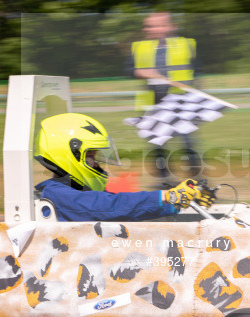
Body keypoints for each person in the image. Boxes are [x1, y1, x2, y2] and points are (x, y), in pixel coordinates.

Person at [34, 112, 214, 222]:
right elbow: (109, 207)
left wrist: (176, 203)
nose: (97, 163)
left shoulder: (80, 190)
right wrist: (168, 195)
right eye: (90, 156)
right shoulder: (56, 194)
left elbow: (128, 208)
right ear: (67, 156)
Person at [129, 12, 200, 183]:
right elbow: (129, 69)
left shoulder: (186, 44)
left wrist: (196, 93)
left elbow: (198, 70)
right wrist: (142, 72)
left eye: (158, 25)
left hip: (180, 104)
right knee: (158, 146)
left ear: (171, 26)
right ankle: (165, 182)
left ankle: (197, 181)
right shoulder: (139, 47)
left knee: (188, 145)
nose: (152, 29)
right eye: (149, 26)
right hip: (154, 105)